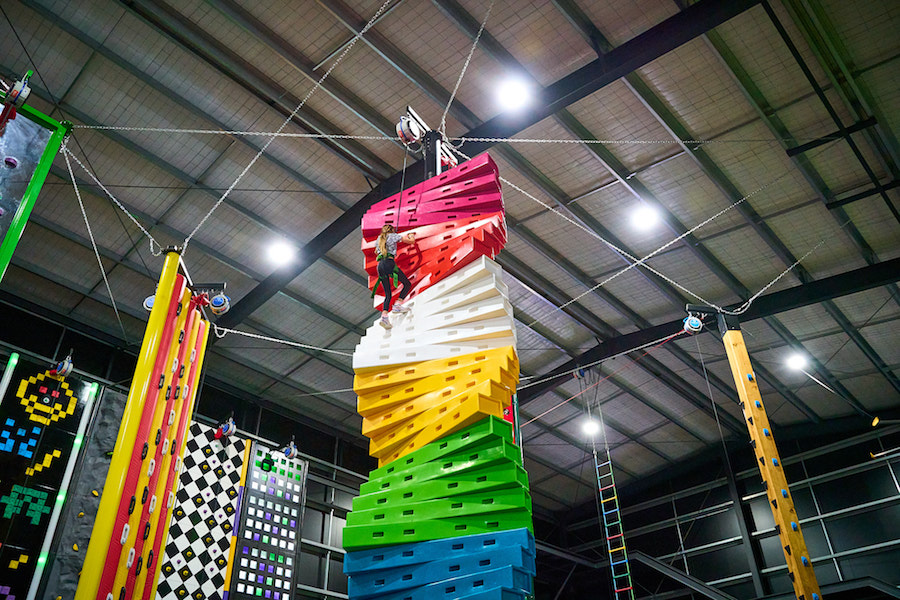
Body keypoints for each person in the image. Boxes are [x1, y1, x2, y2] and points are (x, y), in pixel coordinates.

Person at [374, 224, 415, 329]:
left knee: (388, 294)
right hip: (389, 263)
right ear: (391, 230)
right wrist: (411, 235)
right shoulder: (392, 236)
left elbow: (378, 250)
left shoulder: (379, 239)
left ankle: (384, 316)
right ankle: (397, 305)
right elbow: (411, 241)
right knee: (407, 284)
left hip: (380, 266)